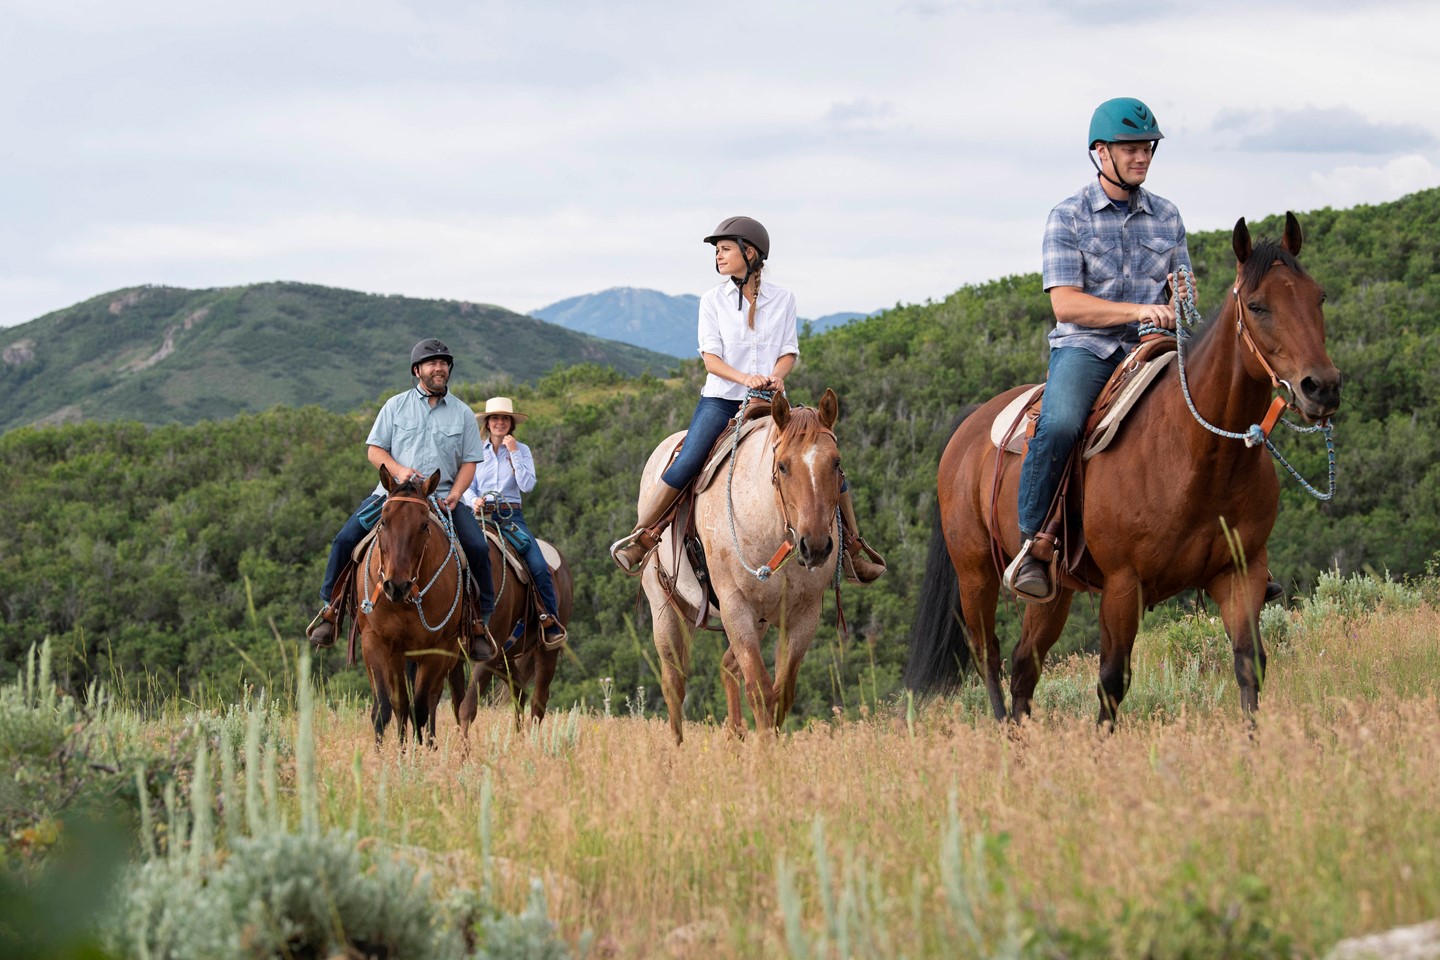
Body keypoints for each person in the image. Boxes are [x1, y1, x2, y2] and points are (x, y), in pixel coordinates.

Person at [1004, 98, 1282, 605]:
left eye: (1147, 148)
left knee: (1219, 408)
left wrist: (1181, 298)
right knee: (1062, 422)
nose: (1142, 158)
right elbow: (1066, 305)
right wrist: (1137, 311)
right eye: (1130, 148)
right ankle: (1035, 542)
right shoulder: (1067, 217)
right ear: (1100, 153)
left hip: (1155, 348)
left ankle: (1238, 545)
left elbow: (1184, 291)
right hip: (1086, 349)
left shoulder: (1167, 216)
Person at [608, 216, 885, 583]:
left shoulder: (784, 299)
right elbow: (710, 359)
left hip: (772, 404)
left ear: (749, 252)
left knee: (822, 461)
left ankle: (851, 549)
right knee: (688, 458)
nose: (719, 257)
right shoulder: (711, 301)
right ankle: (643, 537)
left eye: (725, 249)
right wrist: (745, 378)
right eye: (718, 251)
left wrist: (777, 376)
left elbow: (789, 351)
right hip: (722, 399)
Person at [306, 338, 496, 652]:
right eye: (432, 363)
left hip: (442, 497)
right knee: (344, 540)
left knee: (476, 548)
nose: (439, 368)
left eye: (444, 363)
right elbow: (374, 451)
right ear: (417, 370)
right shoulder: (395, 405)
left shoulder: (462, 413)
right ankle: (331, 609)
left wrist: (458, 493)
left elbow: (470, 462)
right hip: (392, 495)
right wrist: (397, 469)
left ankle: (478, 621)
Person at [461, 396, 566, 649]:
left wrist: (514, 453)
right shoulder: (475, 450)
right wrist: (474, 500)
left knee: (538, 565)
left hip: (510, 516)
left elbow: (527, 486)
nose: (499, 422)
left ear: (511, 424)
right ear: (487, 423)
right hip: (479, 516)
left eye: (504, 419)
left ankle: (548, 620)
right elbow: (467, 485)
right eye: (495, 418)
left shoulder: (522, 450)